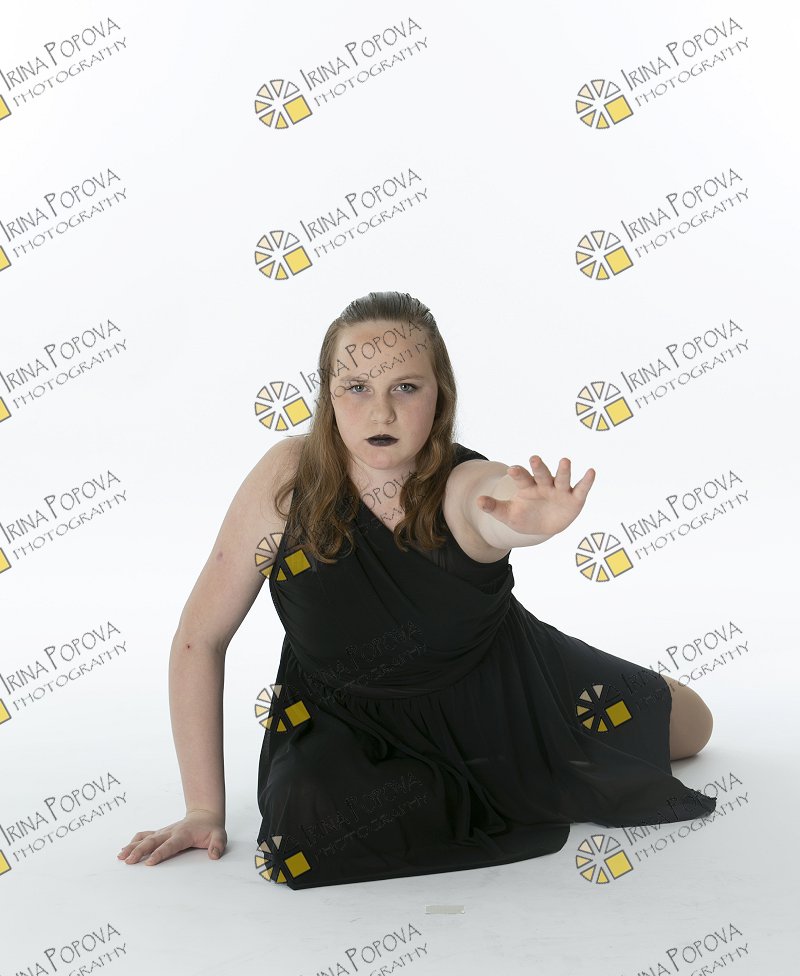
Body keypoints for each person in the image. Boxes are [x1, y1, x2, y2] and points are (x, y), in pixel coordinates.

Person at [118, 290, 715, 883]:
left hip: (505, 696)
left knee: (694, 727)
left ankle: (501, 768)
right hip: (343, 721)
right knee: (305, 830)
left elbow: (488, 503)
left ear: (440, 395)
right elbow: (199, 639)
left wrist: (526, 520)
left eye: (405, 387)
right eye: (357, 388)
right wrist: (203, 809)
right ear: (328, 395)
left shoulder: (460, 480)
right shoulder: (287, 479)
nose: (381, 413)